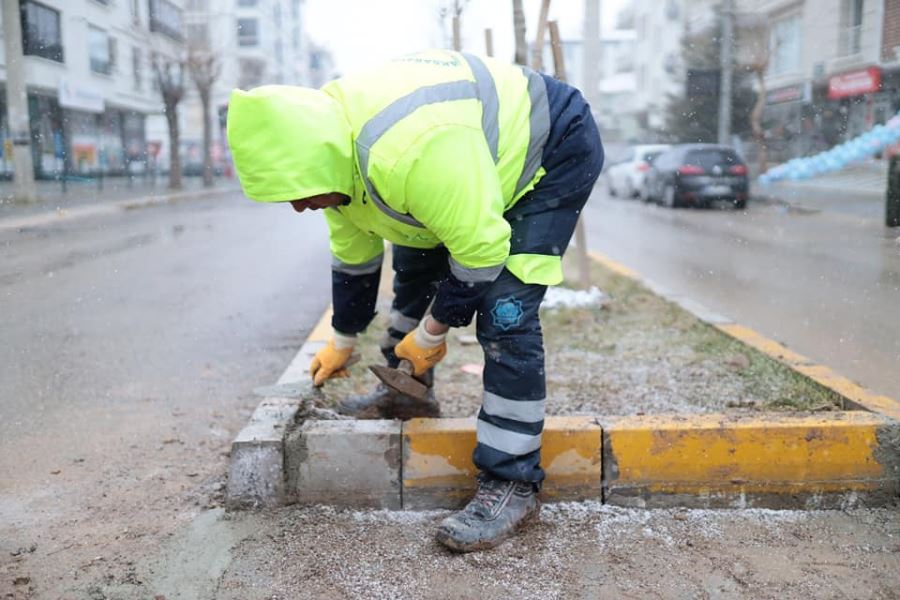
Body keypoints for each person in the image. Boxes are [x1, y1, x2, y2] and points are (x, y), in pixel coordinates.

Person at [227, 49, 604, 552]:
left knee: (504, 314)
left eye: (298, 193)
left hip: (549, 148)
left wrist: (433, 331)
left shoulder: (408, 152)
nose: (298, 207)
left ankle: (512, 482)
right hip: (461, 168)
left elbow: (482, 249)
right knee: (415, 269)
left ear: (319, 160)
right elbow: (355, 259)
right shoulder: (330, 160)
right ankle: (407, 391)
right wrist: (342, 338)